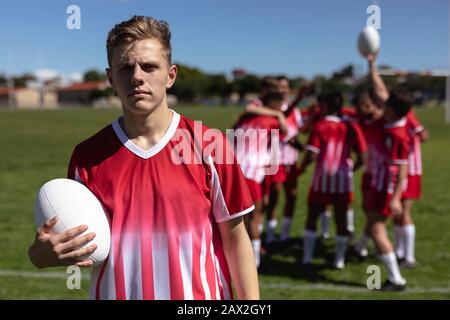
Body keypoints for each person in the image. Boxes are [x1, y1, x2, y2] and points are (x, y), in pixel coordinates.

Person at [28, 16, 259, 300]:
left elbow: (236, 240)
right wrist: (40, 254)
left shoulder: (210, 146)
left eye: (149, 67)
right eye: (125, 68)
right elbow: (74, 243)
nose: (137, 76)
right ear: (111, 78)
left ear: (170, 75)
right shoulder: (87, 155)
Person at [354, 54, 411, 291]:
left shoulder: (398, 135)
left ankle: (396, 279)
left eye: (385, 105)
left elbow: (403, 168)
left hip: (387, 187)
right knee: (371, 219)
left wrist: (397, 197)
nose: (381, 105)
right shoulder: (387, 123)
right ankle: (360, 247)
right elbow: (379, 91)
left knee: (378, 229)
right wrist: (371, 64)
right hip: (378, 183)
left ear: (393, 110)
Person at [298, 92, 367, 269]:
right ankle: (339, 261)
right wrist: (351, 169)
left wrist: (303, 166)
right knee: (341, 220)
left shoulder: (320, 125)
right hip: (343, 181)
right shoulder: (351, 126)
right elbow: (362, 156)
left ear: (325, 107)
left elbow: (312, 155)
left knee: (312, 217)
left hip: (322, 179)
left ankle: (306, 258)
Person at [232, 91, 286, 268]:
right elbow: (285, 134)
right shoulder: (272, 121)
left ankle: (238, 255)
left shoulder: (243, 119)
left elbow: (232, 133)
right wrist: (280, 117)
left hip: (234, 172)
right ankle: (255, 261)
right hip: (253, 173)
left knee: (235, 219)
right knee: (255, 217)